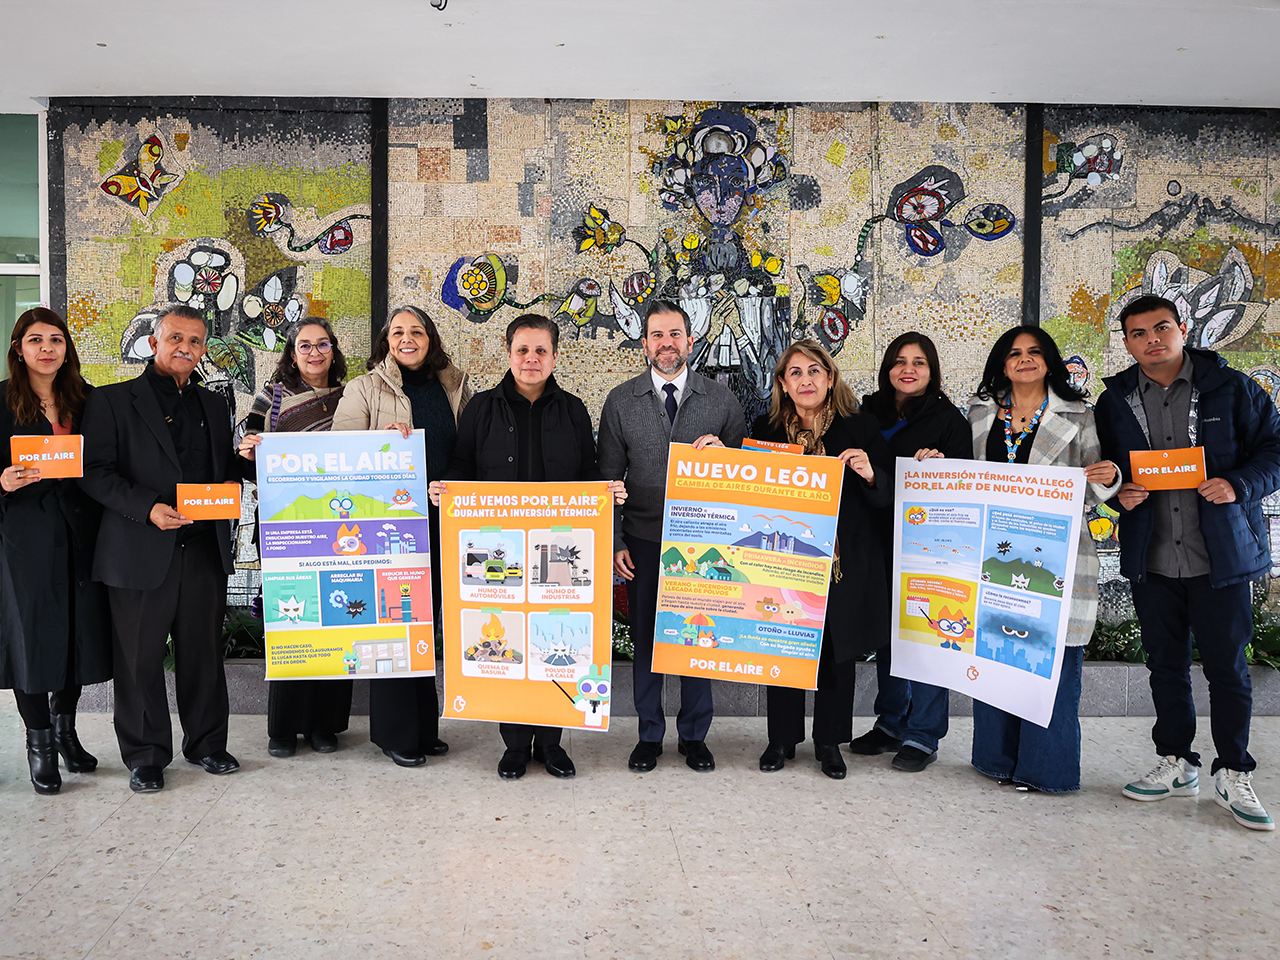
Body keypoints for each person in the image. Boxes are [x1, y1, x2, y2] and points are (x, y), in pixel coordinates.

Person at [1097, 295, 1280, 831]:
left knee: (1227, 668)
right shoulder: (1115, 401)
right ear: (1127, 343)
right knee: (1165, 665)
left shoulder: (1232, 387)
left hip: (1220, 555)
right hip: (1152, 558)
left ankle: (1234, 770)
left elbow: (1275, 451)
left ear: (1182, 328)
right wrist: (1117, 492)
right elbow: (1104, 468)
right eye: (1138, 333)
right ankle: (1177, 762)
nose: (1151, 340)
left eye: (1161, 328)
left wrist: (1239, 484)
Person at [428, 314, 626, 780]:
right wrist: (444, 490)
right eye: (523, 350)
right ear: (509, 353)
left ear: (555, 356)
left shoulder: (573, 409)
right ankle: (515, 746)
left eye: (540, 351)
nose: (531, 359)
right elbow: (462, 468)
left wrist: (607, 492)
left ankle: (552, 744)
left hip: (559, 555)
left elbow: (588, 472)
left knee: (555, 638)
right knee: (508, 642)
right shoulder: (481, 409)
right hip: (501, 554)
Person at [80, 305, 252, 793]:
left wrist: (245, 464)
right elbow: (94, 473)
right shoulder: (112, 400)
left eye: (195, 341)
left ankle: (207, 744)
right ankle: (145, 756)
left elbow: (222, 471)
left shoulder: (215, 404)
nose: (185, 348)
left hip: (201, 550)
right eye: (176, 338)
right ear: (154, 342)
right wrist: (148, 508)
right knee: (138, 660)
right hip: (138, 549)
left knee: (203, 656)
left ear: (204, 349)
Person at [967, 325, 1120, 793]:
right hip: (994, 556)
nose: (1025, 359)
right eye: (1014, 353)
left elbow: (1094, 484)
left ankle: (1046, 771)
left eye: (1035, 352)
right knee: (996, 655)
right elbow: (963, 475)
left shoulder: (1079, 415)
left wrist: (1108, 477)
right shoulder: (979, 412)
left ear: (1049, 361)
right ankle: (995, 760)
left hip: (1055, 557)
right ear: (1002, 363)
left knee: (1052, 665)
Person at [597, 300, 746, 773]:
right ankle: (649, 735)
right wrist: (616, 541)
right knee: (646, 640)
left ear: (690, 341)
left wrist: (726, 455)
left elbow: (749, 475)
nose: (667, 344)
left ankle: (694, 736)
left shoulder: (720, 400)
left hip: (704, 543)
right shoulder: (621, 401)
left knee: (698, 638)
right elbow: (607, 481)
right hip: (642, 539)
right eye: (657, 335)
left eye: (675, 334)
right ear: (644, 344)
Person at [333, 306, 471, 767]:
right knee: (395, 624)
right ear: (386, 341)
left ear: (431, 339)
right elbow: (341, 456)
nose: (407, 339)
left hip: (444, 523)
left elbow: (469, 449)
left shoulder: (454, 386)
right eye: (398, 332)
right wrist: (381, 443)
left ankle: (424, 728)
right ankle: (395, 734)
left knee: (425, 627)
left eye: (417, 331)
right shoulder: (364, 388)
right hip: (389, 527)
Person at [749, 340, 893, 779]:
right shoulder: (766, 431)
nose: (806, 380)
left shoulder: (860, 428)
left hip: (840, 563)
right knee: (784, 647)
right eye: (795, 372)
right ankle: (781, 739)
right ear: (782, 384)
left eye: (815, 371)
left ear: (830, 378)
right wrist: (718, 455)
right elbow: (746, 493)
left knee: (836, 653)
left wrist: (870, 473)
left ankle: (829, 742)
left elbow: (888, 497)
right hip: (784, 561)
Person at [0, 309, 111, 795]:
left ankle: (66, 730)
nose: (47, 348)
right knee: (32, 638)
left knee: (76, 634)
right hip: (25, 538)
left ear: (67, 348)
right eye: (35, 340)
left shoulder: (86, 400)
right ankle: (40, 742)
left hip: (82, 531)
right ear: (18, 348)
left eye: (56, 339)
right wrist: (1, 481)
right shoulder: (1, 400)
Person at [850, 332, 972, 773]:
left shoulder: (949, 421)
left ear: (932, 370)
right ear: (887, 368)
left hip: (928, 547)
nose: (908, 370)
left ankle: (923, 733)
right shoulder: (866, 412)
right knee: (888, 637)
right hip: (876, 539)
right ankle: (890, 722)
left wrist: (941, 469)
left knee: (926, 635)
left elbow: (965, 486)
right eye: (900, 361)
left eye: (919, 362)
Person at [237, 318, 352, 758]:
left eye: (323, 344)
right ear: (292, 352)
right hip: (289, 525)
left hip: (342, 526)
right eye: (305, 345)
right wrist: (248, 451)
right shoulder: (272, 397)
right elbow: (247, 455)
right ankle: (283, 727)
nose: (314, 352)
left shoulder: (350, 396)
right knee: (293, 618)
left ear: (333, 349)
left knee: (337, 619)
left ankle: (325, 724)